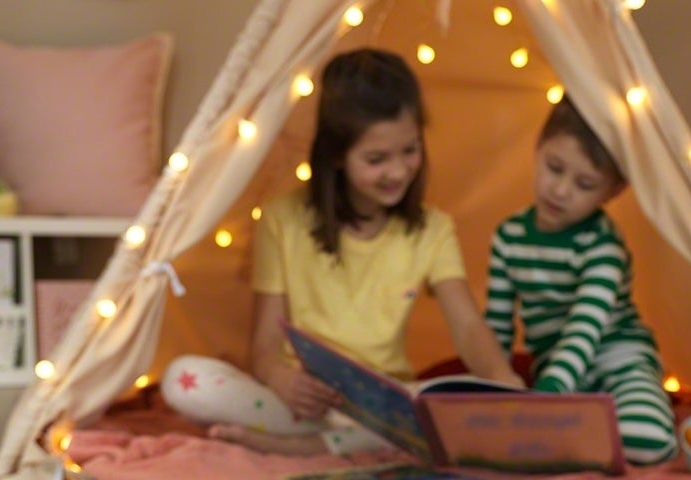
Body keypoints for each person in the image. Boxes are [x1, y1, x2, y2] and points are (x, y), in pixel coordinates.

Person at [162, 48, 522, 456]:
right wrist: (281, 380)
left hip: (384, 408)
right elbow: (262, 347)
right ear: (336, 155)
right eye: (376, 159)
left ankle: (300, 448)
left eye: (410, 150)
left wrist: (503, 384)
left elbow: (469, 328)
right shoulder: (284, 219)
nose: (400, 170)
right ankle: (323, 440)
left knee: (441, 408)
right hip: (302, 404)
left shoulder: (433, 230)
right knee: (184, 379)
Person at [484, 96, 677, 465]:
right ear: (538, 149)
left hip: (618, 358)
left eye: (585, 184)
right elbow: (497, 327)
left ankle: (623, 412)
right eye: (554, 167)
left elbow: (585, 328)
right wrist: (494, 387)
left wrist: (552, 391)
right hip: (552, 365)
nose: (560, 191)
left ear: (613, 191)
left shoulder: (603, 245)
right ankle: (584, 430)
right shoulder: (508, 236)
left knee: (644, 439)